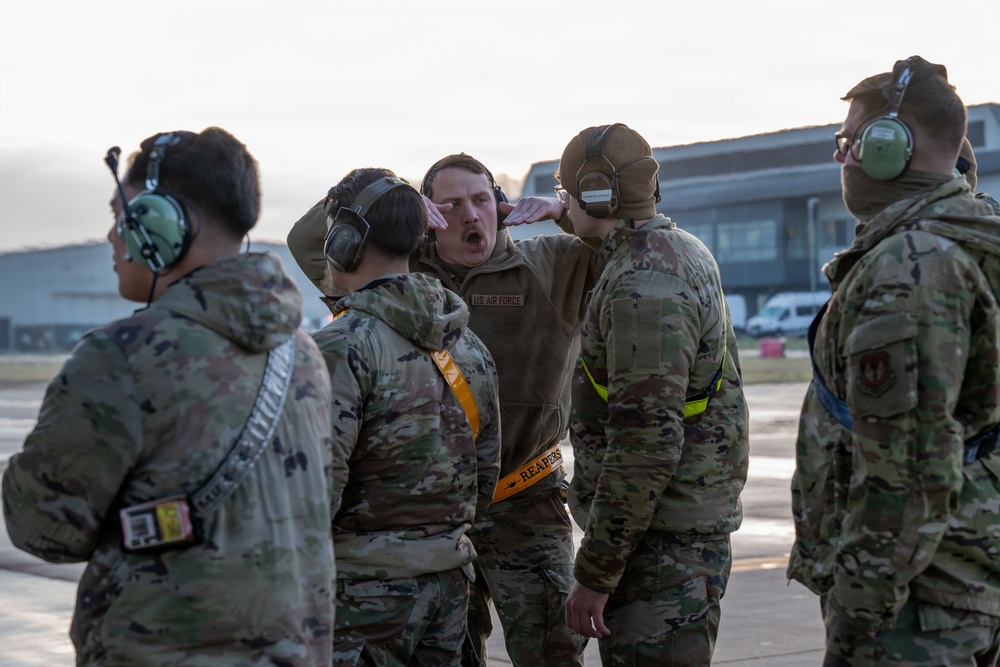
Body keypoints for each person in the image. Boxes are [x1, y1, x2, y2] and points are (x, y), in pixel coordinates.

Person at [1, 127, 336, 666]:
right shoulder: (304, 354)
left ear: (161, 221)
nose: (114, 237)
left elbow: (42, 529)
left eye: (122, 217)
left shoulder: (122, 358)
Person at [287, 154, 601, 666]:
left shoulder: (550, 263)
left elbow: (621, 248)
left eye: (482, 201)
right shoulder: (409, 273)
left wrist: (564, 209)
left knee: (551, 649)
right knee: (457, 650)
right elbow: (308, 242)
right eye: (451, 206)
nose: (471, 216)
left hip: (526, 501)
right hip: (439, 519)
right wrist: (391, 200)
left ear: (499, 204)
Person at [787, 55, 1000, 666]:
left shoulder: (909, 268)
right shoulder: (966, 233)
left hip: (916, 596)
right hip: (958, 573)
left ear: (890, 148)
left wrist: (860, 611)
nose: (841, 158)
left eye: (850, 143)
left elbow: (906, 468)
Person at [558, 123, 750, 665]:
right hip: (668, 538)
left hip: (659, 554)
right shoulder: (674, 250)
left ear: (595, 194)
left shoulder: (643, 285)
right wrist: (572, 215)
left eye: (565, 192)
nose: (562, 203)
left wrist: (595, 572)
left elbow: (646, 444)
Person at [310, 167, 501, 666]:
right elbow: (485, 473)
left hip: (359, 601)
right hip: (448, 592)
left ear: (343, 242)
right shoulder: (468, 346)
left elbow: (311, 496)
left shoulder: (339, 348)